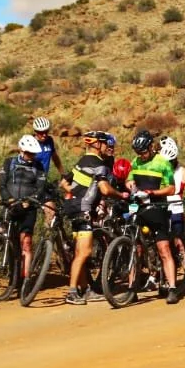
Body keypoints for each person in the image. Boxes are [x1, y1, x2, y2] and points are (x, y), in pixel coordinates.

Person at [60, 131, 128, 305]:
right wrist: (121, 195)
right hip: (84, 210)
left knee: (78, 253)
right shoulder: (99, 164)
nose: (109, 148)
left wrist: (78, 194)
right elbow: (105, 189)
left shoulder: (81, 161)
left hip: (72, 208)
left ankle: (86, 289)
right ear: (98, 145)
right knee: (85, 252)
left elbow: (64, 184)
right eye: (107, 145)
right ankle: (72, 292)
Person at [127, 132, 185, 304]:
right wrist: (129, 184)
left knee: (164, 249)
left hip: (157, 209)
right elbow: (129, 179)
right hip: (140, 209)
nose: (141, 155)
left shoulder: (163, 163)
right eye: (138, 152)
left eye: (143, 151)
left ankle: (173, 288)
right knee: (135, 249)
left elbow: (171, 189)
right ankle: (132, 288)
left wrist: (153, 193)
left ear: (151, 147)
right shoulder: (136, 162)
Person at [0, 135, 46, 282]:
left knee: (25, 243)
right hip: (10, 206)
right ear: (21, 150)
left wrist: (30, 201)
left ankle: (25, 281)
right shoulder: (9, 163)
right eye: (28, 153)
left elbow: (41, 188)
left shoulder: (38, 166)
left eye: (33, 153)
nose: (31, 156)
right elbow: (1, 184)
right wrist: (9, 199)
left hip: (28, 208)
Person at [162, 137, 185, 275]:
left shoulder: (182, 171)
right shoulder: (160, 168)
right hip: (161, 205)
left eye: (171, 161)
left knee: (179, 237)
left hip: (176, 207)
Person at [31, 117, 63, 227]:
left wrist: (62, 174)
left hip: (42, 181)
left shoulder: (49, 140)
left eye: (46, 132)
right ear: (35, 132)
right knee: (50, 210)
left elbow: (55, 157)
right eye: (41, 133)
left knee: (52, 210)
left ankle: (46, 238)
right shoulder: (30, 143)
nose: (44, 135)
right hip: (31, 182)